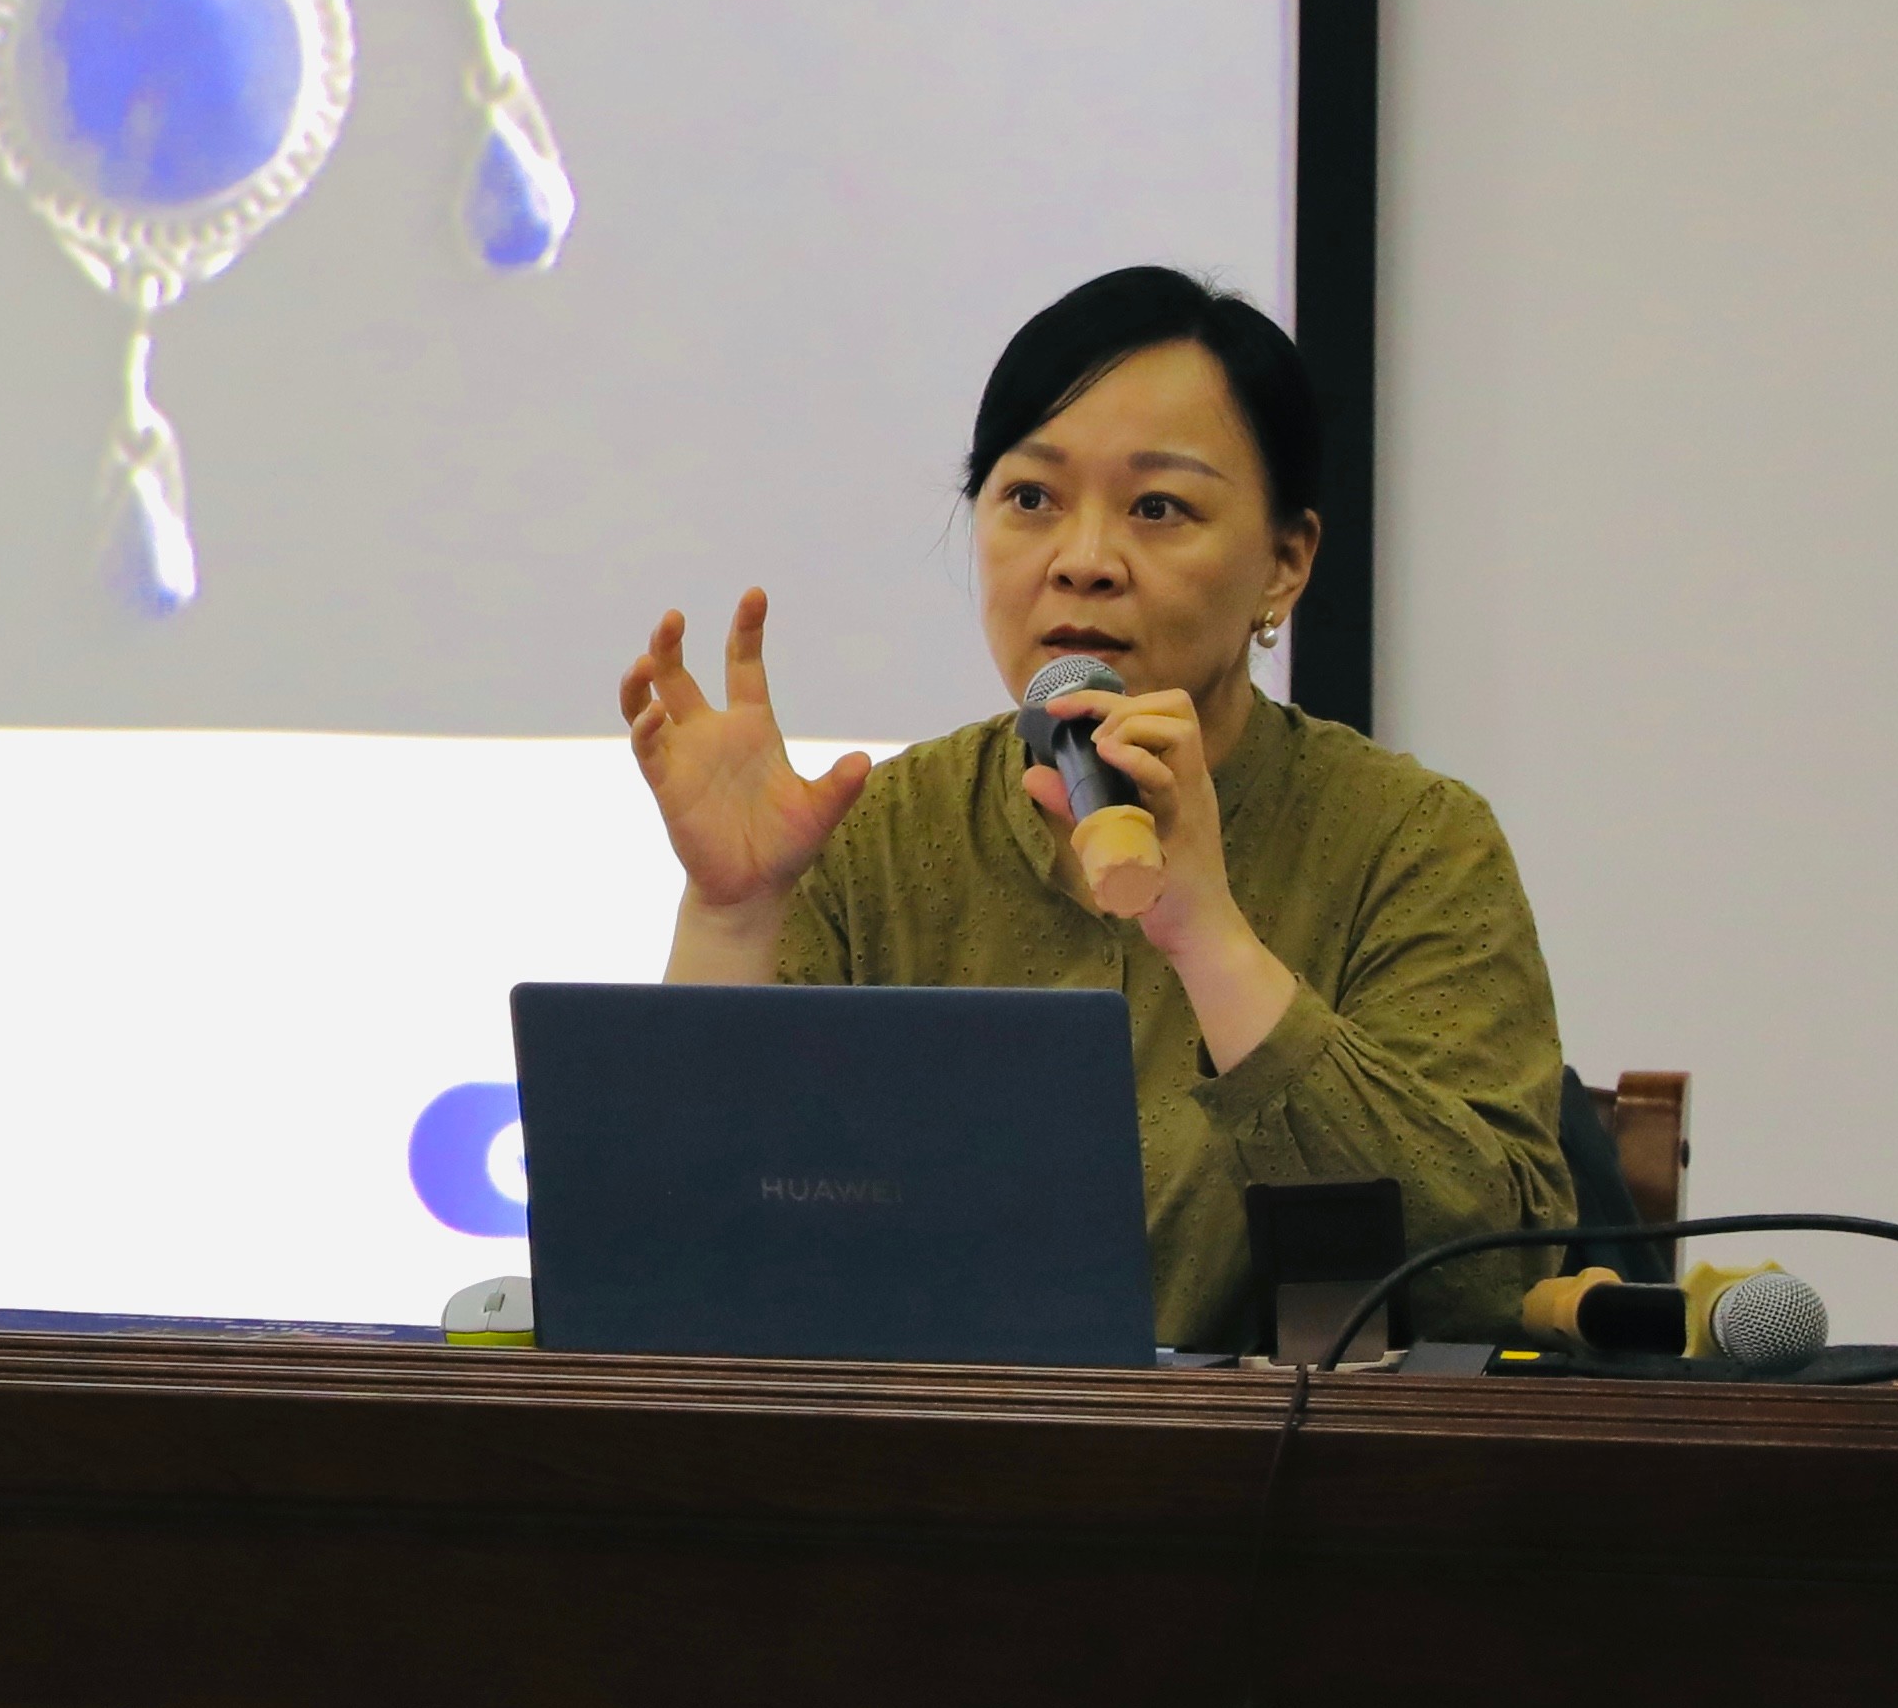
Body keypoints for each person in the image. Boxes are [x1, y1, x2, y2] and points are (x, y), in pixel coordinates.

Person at [615, 266, 1567, 1355]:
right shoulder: (876, 832)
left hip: (1269, 1456)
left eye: (1159, 509)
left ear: (1285, 564)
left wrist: (1210, 936)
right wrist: (733, 916)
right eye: (1031, 499)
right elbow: (673, 1265)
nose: (1083, 562)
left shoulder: (1411, 840)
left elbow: (1491, 1269)